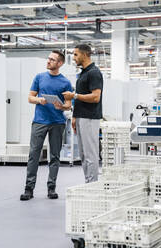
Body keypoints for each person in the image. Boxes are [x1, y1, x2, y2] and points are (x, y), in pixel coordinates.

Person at [20, 50, 72, 201]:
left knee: (54, 156)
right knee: (33, 155)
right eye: (48, 58)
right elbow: (30, 97)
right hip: (39, 121)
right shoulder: (39, 77)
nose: (48, 61)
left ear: (60, 63)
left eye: (52, 59)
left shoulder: (65, 82)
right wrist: (39, 100)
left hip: (57, 123)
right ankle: (29, 188)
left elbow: (68, 104)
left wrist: (61, 106)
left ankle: (51, 188)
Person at [63, 44, 103, 183]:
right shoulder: (83, 73)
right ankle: (88, 182)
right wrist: (74, 117)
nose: (73, 58)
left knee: (90, 154)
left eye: (76, 54)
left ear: (85, 55)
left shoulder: (94, 73)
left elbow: (96, 96)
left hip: (90, 117)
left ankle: (92, 186)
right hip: (81, 116)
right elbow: (81, 96)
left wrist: (74, 96)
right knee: (83, 154)